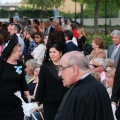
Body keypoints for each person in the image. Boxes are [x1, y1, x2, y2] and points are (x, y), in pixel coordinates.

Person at [54, 51, 114, 120]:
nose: (59, 74)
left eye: (62, 69)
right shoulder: (98, 87)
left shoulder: (81, 92)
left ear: (75, 69)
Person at [35, 43, 68, 120]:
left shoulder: (67, 65)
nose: (52, 54)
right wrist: (37, 101)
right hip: (50, 101)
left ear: (60, 53)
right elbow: (41, 85)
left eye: (54, 52)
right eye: (50, 52)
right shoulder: (44, 67)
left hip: (65, 99)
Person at [0, 37, 30, 120]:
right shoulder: (2, 65)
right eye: (19, 51)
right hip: (2, 101)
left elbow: (23, 82)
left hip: (17, 101)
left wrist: (28, 97)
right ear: (12, 52)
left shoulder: (20, 65)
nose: (20, 53)